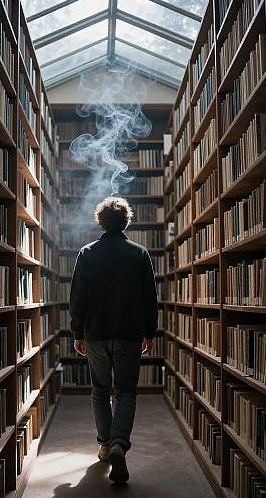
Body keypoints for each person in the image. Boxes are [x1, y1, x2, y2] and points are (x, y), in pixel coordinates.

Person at [69, 196, 158, 484]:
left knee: (100, 390)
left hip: (95, 334)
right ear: (126, 221)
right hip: (129, 334)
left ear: (100, 221)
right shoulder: (140, 253)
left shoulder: (86, 253)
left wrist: (77, 333)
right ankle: (119, 443)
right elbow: (150, 298)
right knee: (126, 391)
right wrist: (150, 331)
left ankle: (106, 445)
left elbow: (77, 298)